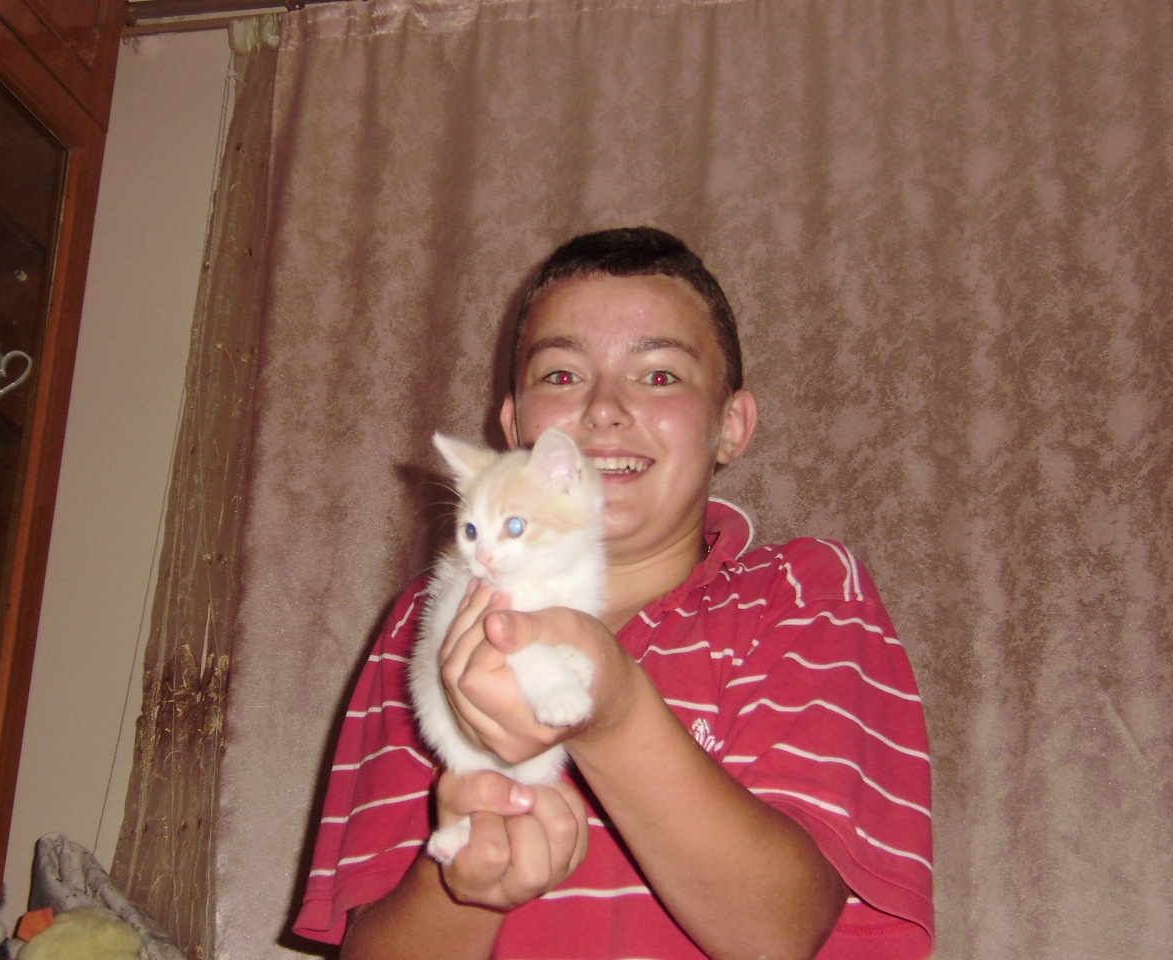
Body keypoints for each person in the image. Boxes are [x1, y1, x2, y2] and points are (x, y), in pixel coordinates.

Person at [293, 227, 934, 960]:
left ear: (730, 426)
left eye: (659, 376)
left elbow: (780, 931)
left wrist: (613, 711)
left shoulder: (803, 592)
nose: (602, 408)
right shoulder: (426, 619)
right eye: (562, 375)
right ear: (515, 427)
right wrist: (468, 882)